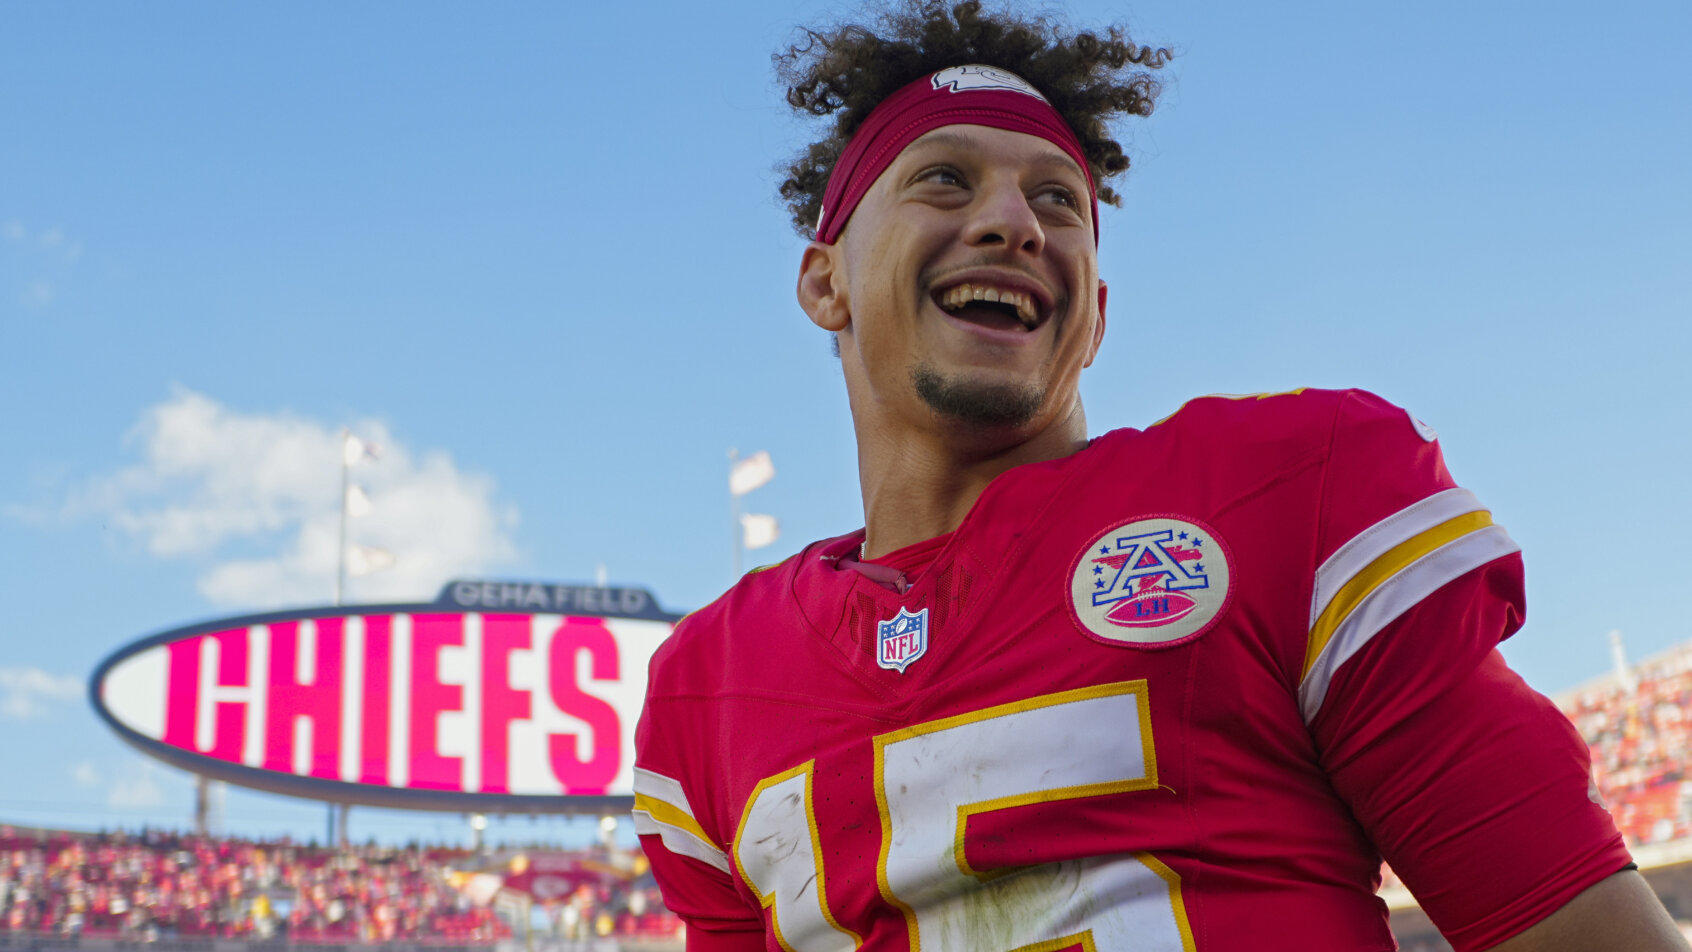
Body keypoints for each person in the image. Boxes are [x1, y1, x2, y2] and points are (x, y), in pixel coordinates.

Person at [630, 2, 1688, 949]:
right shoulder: (705, 688)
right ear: (825, 281)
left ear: (1093, 313)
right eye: (944, 178)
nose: (1015, 222)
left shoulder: (1292, 492)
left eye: (1060, 202)